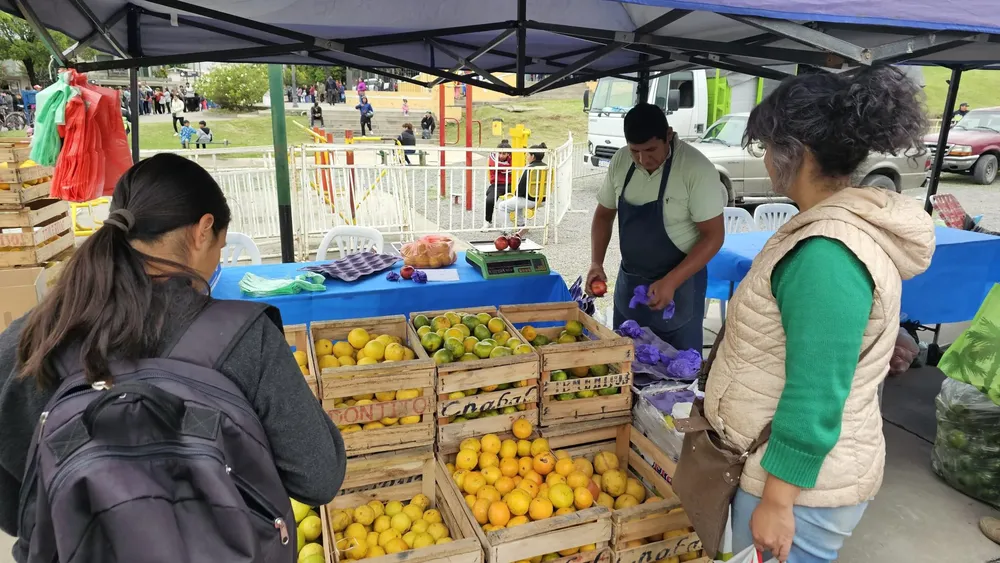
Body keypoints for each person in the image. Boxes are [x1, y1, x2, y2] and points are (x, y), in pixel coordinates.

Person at [0, 154, 345, 558]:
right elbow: (319, 478)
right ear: (203, 231)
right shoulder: (243, 339)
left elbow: (18, 502)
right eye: (219, 245)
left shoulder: (33, 339)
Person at [701, 65, 934, 563]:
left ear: (796, 153)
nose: (764, 160)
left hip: (799, 487)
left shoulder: (825, 251)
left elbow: (816, 391)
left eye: (765, 148)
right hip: (792, 473)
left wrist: (778, 501)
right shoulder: (831, 231)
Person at [587, 102, 724, 351]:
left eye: (651, 150)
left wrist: (671, 281)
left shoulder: (696, 169)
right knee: (626, 364)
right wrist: (597, 262)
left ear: (668, 135)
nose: (643, 159)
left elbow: (713, 236)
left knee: (676, 373)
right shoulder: (620, 162)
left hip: (680, 288)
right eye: (635, 151)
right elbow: (603, 215)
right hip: (631, 284)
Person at [496, 143, 548, 235]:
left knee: (503, 206)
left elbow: (520, 188)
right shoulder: (546, 167)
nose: (527, 156)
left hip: (530, 200)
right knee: (517, 201)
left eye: (528, 154)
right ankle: (521, 225)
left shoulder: (529, 168)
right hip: (542, 199)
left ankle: (507, 229)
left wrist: (516, 193)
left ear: (533, 156)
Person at [483, 140, 513, 231]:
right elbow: (494, 165)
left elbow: (513, 168)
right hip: (497, 184)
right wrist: (507, 167)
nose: (501, 156)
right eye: (500, 153)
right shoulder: (492, 155)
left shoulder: (514, 156)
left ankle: (517, 222)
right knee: (489, 200)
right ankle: (488, 221)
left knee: (518, 198)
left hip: (510, 184)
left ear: (508, 154)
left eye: (504, 154)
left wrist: (502, 168)